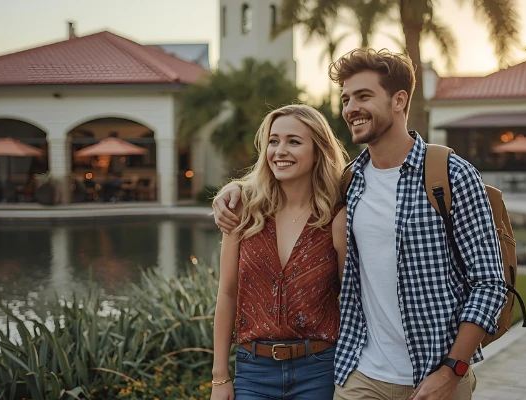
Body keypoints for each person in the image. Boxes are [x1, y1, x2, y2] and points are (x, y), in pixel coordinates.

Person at [214, 49, 507, 400]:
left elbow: (490, 284)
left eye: (364, 96)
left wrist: (452, 370)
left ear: (399, 100)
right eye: (346, 98)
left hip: (437, 372)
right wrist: (236, 189)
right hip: (361, 375)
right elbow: (293, 183)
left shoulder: (450, 176)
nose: (351, 107)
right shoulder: (350, 183)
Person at [210, 104, 349, 400]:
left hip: (320, 370)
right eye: (274, 141)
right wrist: (219, 377)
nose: (280, 150)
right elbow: (227, 293)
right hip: (253, 371)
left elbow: (351, 300)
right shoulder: (244, 211)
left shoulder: (336, 219)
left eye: (294, 142)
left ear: (317, 151)